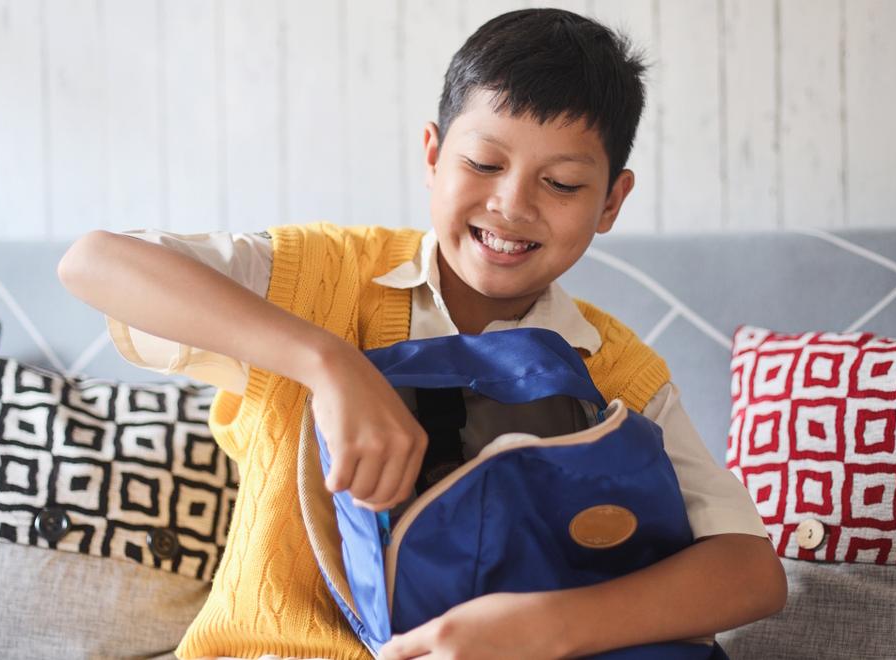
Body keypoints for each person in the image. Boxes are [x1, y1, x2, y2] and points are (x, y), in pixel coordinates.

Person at [58, 8, 786, 660]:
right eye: (484, 163)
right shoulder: (321, 278)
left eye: (562, 183)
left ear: (611, 203)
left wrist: (547, 628)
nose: (511, 205)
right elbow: (94, 262)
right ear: (433, 155)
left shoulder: (617, 369)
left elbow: (751, 573)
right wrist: (329, 362)